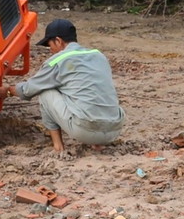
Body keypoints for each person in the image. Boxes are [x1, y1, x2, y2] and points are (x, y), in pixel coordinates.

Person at [15, 19, 125, 152]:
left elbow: (28, 89)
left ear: (58, 41)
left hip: (86, 131)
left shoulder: (58, 60)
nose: (51, 50)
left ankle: (58, 146)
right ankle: (97, 145)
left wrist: (7, 91)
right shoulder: (98, 55)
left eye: (50, 45)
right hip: (115, 129)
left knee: (45, 91)